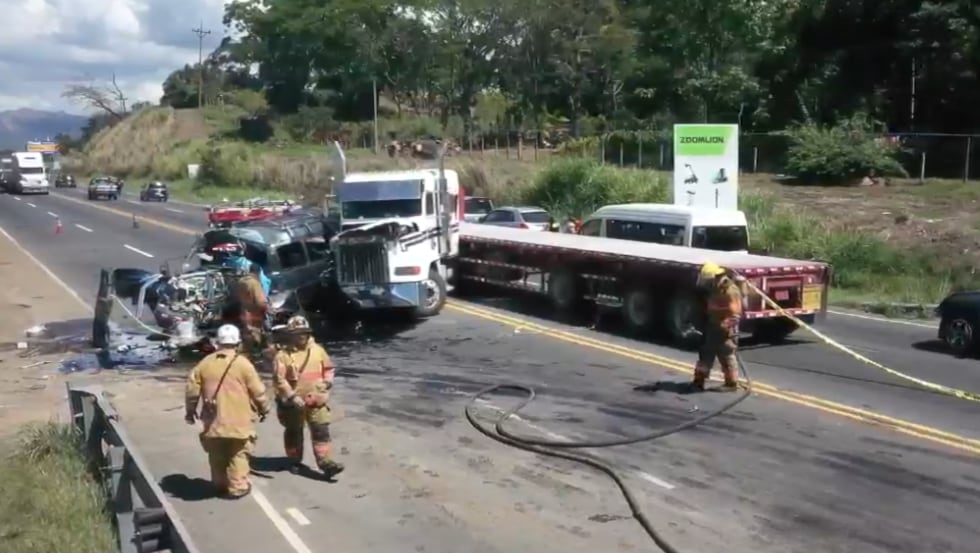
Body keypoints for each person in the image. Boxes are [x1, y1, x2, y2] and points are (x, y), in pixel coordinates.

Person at [185, 324, 271, 499]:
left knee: (216, 454)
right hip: (239, 422)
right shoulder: (244, 364)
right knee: (238, 453)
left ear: (217, 343)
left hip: (213, 421)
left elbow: (191, 391)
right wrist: (264, 408)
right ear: (237, 343)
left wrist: (190, 412)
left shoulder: (204, 364)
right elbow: (258, 391)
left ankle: (219, 484)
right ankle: (237, 487)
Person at [273, 315, 345, 478]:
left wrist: (327, 382)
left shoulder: (318, 350)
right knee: (293, 432)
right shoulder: (282, 355)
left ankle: (325, 462)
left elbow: (328, 369)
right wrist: (291, 396)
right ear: (290, 335)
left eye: (304, 333)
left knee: (321, 430)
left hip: (316, 399)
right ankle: (294, 461)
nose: (302, 336)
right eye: (298, 333)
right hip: (293, 403)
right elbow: (279, 379)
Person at [690, 261, 743, 392]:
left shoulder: (730, 291)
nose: (706, 283)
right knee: (705, 353)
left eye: (708, 280)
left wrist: (726, 326)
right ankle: (699, 381)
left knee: (726, 355)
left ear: (716, 276)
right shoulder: (715, 288)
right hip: (714, 325)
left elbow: (735, 314)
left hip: (724, 328)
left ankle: (731, 384)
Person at [233, 263, 268, 355]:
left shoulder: (241, 281)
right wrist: (266, 309)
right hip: (254, 314)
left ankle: (245, 354)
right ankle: (254, 356)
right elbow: (260, 301)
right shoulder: (254, 283)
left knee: (247, 335)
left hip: (243, 312)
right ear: (258, 272)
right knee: (255, 336)